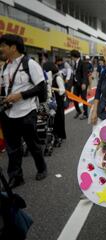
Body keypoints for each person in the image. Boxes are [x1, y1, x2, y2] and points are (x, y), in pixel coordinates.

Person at [0, 34, 47, 188]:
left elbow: (42, 88)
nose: (1, 49)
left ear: (13, 47)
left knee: (33, 144)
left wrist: (20, 95)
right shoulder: (5, 66)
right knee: (12, 148)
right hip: (8, 114)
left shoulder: (31, 64)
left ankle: (42, 168)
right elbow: (4, 87)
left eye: (3, 46)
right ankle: (15, 176)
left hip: (27, 112)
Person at [44, 62, 66, 145]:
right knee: (54, 120)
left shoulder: (57, 78)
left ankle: (60, 136)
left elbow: (62, 90)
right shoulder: (52, 78)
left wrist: (52, 88)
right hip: (54, 101)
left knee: (59, 119)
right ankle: (55, 136)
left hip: (59, 102)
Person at [70, 49, 88, 120]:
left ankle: (86, 114)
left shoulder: (82, 63)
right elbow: (75, 73)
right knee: (74, 98)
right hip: (76, 84)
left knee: (84, 99)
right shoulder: (75, 63)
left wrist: (84, 83)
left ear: (74, 56)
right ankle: (78, 111)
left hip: (82, 84)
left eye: (71, 56)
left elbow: (85, 74)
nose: (71, 58)